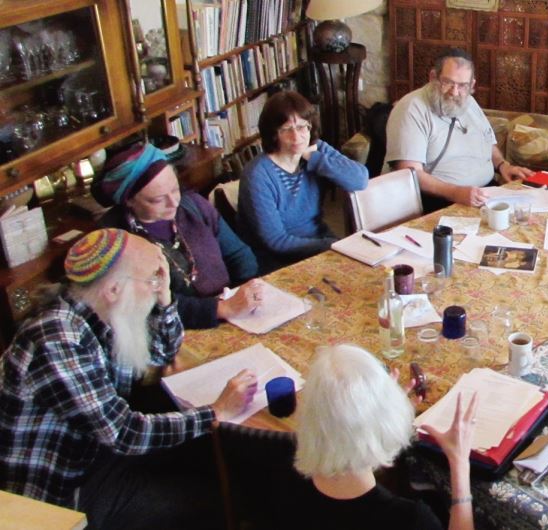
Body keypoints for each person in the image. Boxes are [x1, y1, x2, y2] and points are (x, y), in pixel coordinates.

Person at [0, 229, 259, 530]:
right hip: (64, 495)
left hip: (98, 454)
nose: (158, 285)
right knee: (219, 498)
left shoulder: (98, 312)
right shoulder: (58, 340)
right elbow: (124, 433)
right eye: (152, 279)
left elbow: (162, 353)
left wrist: (164, 300)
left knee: (216, 459)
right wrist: (215, 412)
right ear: (114, 289)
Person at [244, 344, 479, 530]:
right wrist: (459, 464)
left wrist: (386, 410)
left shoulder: (280, 473)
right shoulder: (409, 519)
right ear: (384, 423)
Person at [93, 143, 261, 329]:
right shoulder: (115, 240)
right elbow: (152, 304)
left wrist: (246, 291)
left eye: (175, 189)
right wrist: (221, 308)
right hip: (176, 329)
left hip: (233, 309)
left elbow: (239, 255)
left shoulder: (195, 206)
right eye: (158, 199)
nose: (173, 202)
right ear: (129, 201)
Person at [385, 47, 533, 213]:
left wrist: (503, 166)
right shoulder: (411, 109)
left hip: (486, 195)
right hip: (440, 202)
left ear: (472, 85)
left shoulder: (469, 101)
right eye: (448, 82)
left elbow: (488, 142)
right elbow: (409, 173)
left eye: (462, 85)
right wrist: (456, 193)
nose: (455, 92)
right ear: (433, 77)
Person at [237, 91, 368, 274]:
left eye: (302, 127)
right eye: (286, 129)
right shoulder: (257, 175)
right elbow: (276, 241)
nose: (297, 137)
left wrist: (315, 158)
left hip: (320, 243)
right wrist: (330, 244)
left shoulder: (316, 149)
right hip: (277, 262)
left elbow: (359, 180)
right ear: (273, 134)